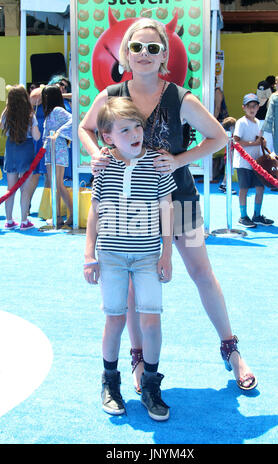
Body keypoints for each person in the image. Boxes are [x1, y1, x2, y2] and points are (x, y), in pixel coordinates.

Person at [79, 18, 257, 392]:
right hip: (128, 206)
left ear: (165, 56)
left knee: (201, 273)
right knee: (129, 283)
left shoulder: (180, 98)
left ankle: (231, 347)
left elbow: (219, 137)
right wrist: (97, 153)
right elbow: (85, 127)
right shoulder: (111, 94)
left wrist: (179, 160)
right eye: (137, 47)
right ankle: (138, 359)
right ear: (126, 52)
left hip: (179, 198)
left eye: (153, 48)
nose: (145, 54)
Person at [84, 97, 176, 420]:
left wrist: (167, 253)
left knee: (151, 318)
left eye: (137, 125)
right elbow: (95, 212)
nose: (136, 132)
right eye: (125, 129)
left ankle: (150, 384)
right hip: (110, 257)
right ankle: (110, 382)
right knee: (115, 319)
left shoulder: (156, 164)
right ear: (108, 137)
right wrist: (88, 255)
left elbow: (168, 208)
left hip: (149, 256)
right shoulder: (104, 166)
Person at [0, 84, 40, 230]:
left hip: (11, 151)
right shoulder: (30, 115)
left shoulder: (6, 114)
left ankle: (9, 220)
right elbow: (36, 137)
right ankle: (24, 221)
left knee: (10, 189)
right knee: (24, 189)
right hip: (26, 152)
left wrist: (8, 108)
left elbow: (1, 126)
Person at [233, 93, 274, 228]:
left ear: (258, 107)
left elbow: (257, 140)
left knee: (260, 188)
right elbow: (236, 141)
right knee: (244, 189)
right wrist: (254, 143)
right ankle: (243, 216)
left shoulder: (257, 122)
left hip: (257, 163)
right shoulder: (241, 122)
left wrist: (262, 142)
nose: (252, 108)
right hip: (243, 163)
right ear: (244, 107)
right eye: (249, 106)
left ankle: (257, 215)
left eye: (255, 106)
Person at [42, 85, 73, 227]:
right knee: (56, 184)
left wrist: (58, 133)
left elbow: (73, 120)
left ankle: (72, 214)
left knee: (58, 184)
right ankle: (58, 215)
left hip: (57, 149)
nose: (44, 99)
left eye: (46, 96)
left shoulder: (57, 110)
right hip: (50, 150)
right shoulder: (51, 111)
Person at [218, 117, 237, 195]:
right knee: (229, 171)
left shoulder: (227, 135)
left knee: (228, 171)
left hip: (229, 155)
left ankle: (223, 185)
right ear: (231, 127)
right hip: (230, 155)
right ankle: (226, 186)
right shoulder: (231, 136)